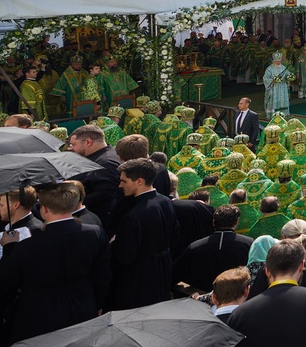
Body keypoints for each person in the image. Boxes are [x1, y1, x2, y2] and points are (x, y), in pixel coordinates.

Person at [0, 183, 109, 344]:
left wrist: (9, 247)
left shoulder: (27, 245)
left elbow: (6, 283)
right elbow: (102, 275)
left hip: (39, 315)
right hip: (83, 307)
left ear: (45, 209)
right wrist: (97, 304)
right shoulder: (95, 233)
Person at [107, 158, 176, 310]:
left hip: (139, 278)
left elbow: (124, 256)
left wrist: (113, 244)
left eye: (124, 181)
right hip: (162, 270)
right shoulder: (165, 202)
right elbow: (174, 235)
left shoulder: (133, 216)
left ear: (139, 181)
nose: (120, 185)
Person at [171, 205, 253, 294]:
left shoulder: (195, 247)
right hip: (237, 298)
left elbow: (173, 275)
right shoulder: (248, 244)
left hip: (201, 300)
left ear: (213, 222)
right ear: (236, 222)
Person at [69, 123, 122, 225]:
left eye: (74, 144)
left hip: (97, 220)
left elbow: (106, 194)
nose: (71, 148)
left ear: (88, 142)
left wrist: (71, 201)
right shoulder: (99, 157)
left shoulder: (106, 162)